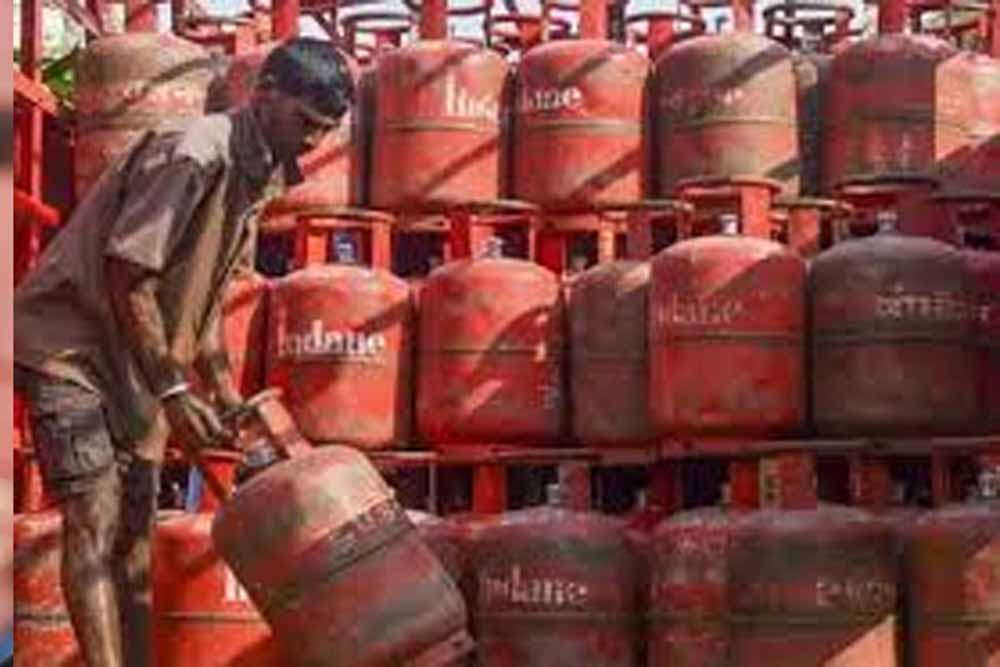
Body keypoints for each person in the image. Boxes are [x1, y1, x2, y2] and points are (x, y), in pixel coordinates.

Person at [13, 37, 354, 667]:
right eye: (305, 122)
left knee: (137, 536)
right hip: (70, 344)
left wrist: (221, 393)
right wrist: (174, 390)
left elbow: (204, 303)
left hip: (135, 362)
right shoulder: (195, 152)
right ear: (265, 93)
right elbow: (128, 273)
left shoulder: (259, 176)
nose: (312, 141)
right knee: (95, 516)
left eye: (325, 131)